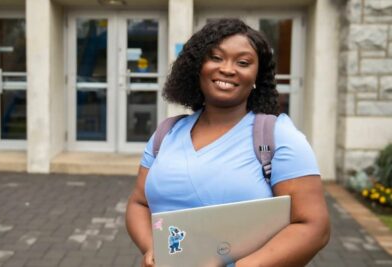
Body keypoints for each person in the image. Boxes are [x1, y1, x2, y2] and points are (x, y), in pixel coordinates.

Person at [125, 18, 330, 267]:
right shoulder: (166, 133)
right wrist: (152, 249)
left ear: (256, 75)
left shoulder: (278, 136)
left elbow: (314, 227)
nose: (228, 69)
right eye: (216, 58)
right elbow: (139, 203)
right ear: (198, 66)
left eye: (243, 62)